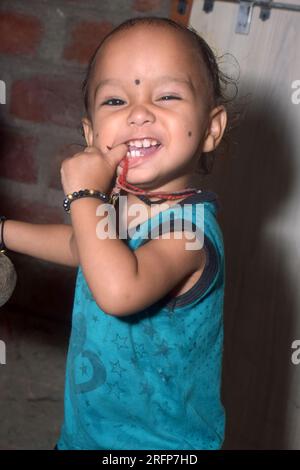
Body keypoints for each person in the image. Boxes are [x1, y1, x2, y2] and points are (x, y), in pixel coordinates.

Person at [0, 16, 234, 450]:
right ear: (92, 135)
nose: (139, 112)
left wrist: (86, 195)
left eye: (166, 95)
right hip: (87, 433)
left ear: (210, 129)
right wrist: (4, 231)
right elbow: (83, 247)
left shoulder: (189, 235)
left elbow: (119, 290)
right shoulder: (127, 208)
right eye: (114, 101)